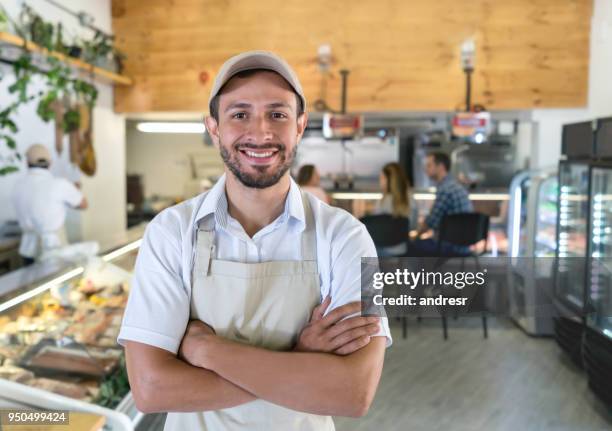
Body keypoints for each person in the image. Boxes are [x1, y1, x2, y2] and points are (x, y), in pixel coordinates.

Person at [118, 51, 391, 431]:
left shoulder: (347, 236)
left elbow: (353, 392)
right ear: (214, 128)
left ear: (300, 126)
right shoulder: (169, 232)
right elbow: (151, 389)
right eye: (239, 114)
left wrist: (205, 350)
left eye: (277, 114)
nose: (260, 132)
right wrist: (299, 358)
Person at [11, 144, 88, 265]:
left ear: (27, 163)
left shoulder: (18, 185)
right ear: (50, 163)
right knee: (55, 282)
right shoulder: (60, 184)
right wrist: (74, 190)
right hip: (53, 248)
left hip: (28, 249)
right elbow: (83, 204)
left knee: (34, 284)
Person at [410, 152, 473, 256]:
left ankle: (420, 273)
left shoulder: (445, 189)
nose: (425, 169)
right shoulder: (456, 186)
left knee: (412, 246)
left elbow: (430, 223)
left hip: (450, 246)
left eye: (429, 165)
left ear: (441, 167)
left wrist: (415, 236)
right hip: (465, 246)